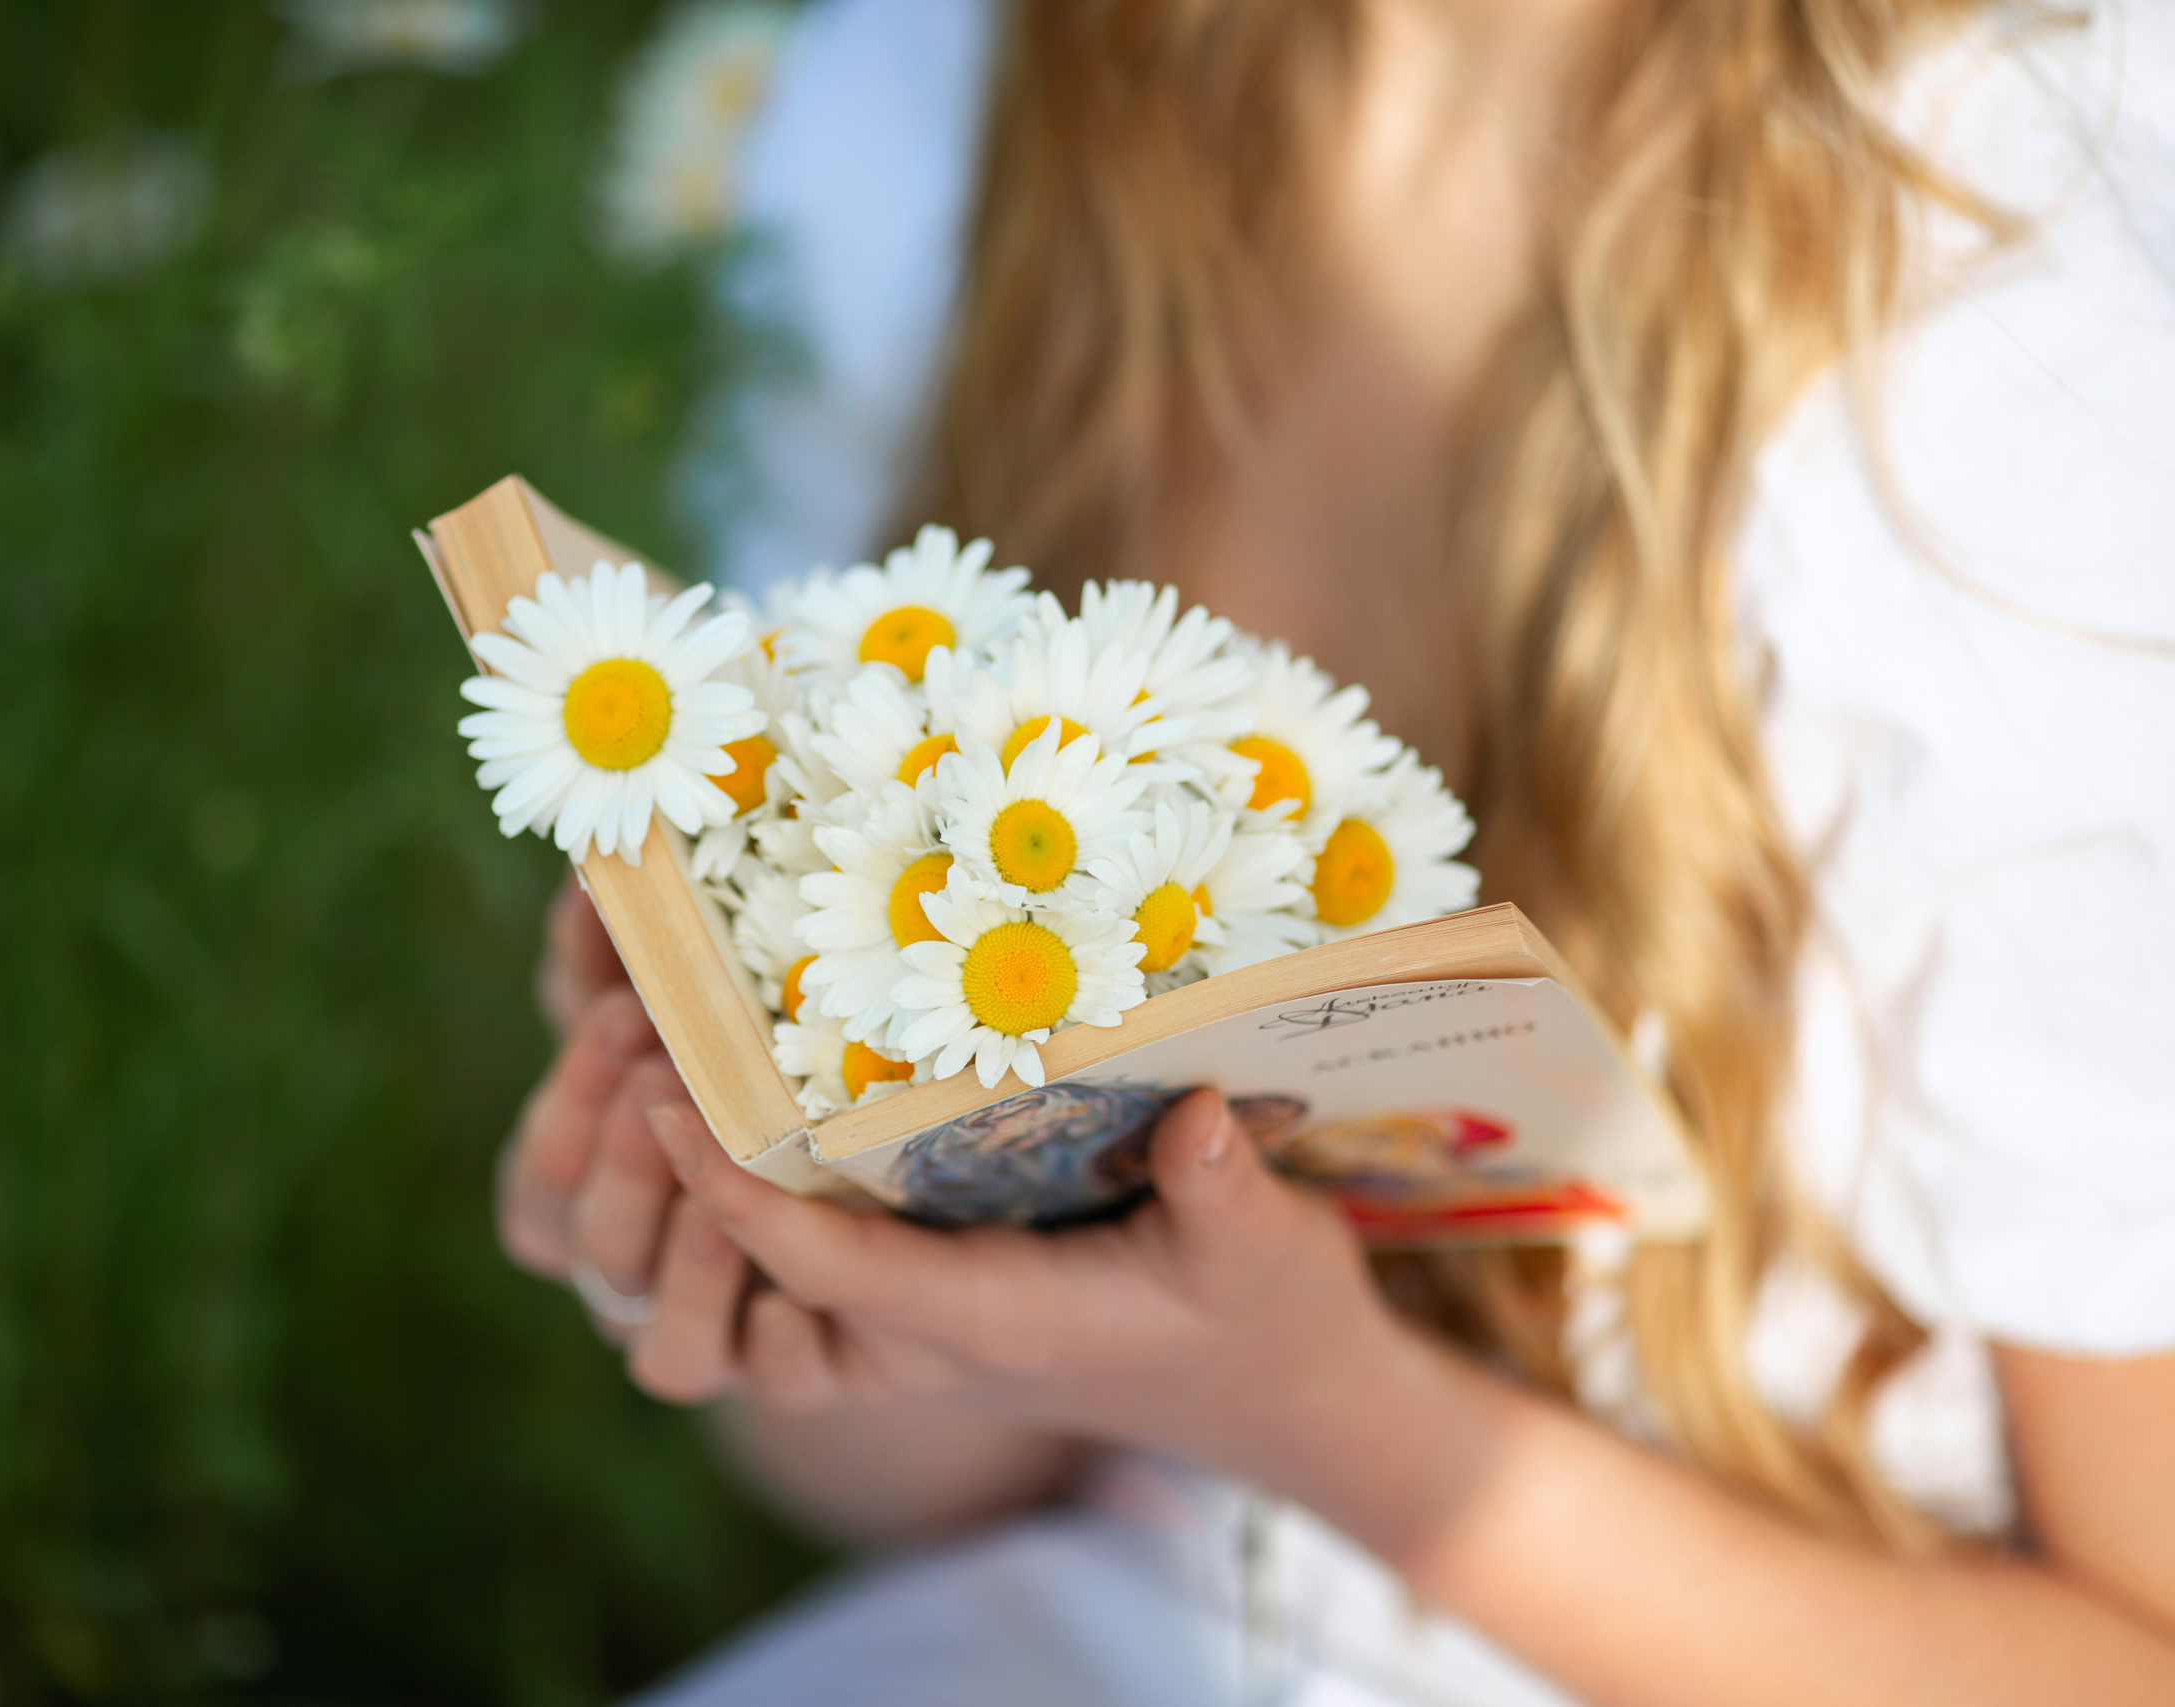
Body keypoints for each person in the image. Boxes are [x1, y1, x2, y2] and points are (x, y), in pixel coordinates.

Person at [501, 0, 2175, 1701]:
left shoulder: (2029, 294)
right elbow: (914, 1487)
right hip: (1136, 1598)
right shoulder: (1030, 86)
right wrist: (823, 1267)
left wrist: (1332, 1420)